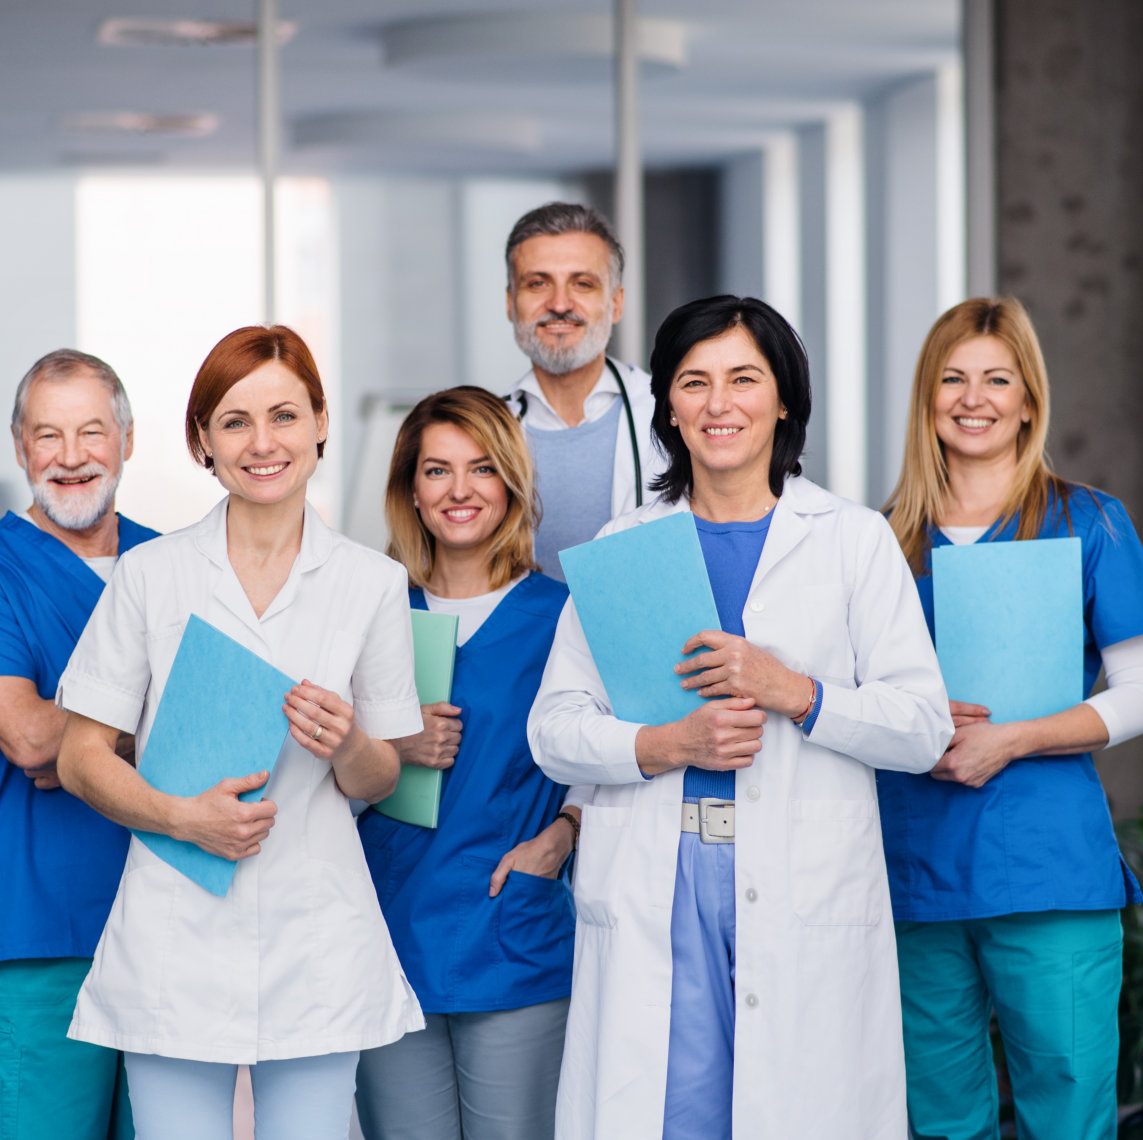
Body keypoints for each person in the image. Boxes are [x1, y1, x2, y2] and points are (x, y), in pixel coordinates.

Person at [527, 295, 953, 1139]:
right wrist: (663, 743)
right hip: (661, 871)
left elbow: (922, 725)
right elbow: (555, 727)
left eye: (743, 380)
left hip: (802, 875)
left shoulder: (852, 539)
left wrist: (795, 691)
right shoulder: (626, 545)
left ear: (784, 399)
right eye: (694, 383)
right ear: (671, 410)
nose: (719, 404)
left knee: (792, 1107)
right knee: (672, 1112)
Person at [53, 325, 425, 1140]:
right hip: (176, 930)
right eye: (234, 421)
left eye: (285, 416)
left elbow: (382, 779)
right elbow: (79, 758)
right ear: (202, 443)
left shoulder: (372, 583)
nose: (263, 443)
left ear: (322, 423)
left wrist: (350, 744)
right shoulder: (152, 576)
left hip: (317, 933)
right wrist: (182, 818)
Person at [877, 297, 1143, 1140]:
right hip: (914, 875)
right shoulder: (878, 543)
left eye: (997, 379)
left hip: (1048, 872)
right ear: (927, 399)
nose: (974, 399)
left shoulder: (1088, 521)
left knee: (1070, 1118)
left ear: (1028, 400)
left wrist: (1014, 737)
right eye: (953, 379)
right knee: (940, 1121)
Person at [0, 348, 158, 1140]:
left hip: (166, 928)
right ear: (20, 447)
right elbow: (28, 739)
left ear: (128, 440)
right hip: (34, 938)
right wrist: (154, 722)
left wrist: (84, 743)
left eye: (91, 432)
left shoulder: (174, 566)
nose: (70, 457)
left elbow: (229, 728)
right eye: (47, 435)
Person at [354, 386, 578, 1140]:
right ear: (410, 491)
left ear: (511, 485)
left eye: (481, 469)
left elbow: (609, 756)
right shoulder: (371, 614)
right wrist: (389, 745)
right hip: (389, 931)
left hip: (512, 933)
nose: (459, 491)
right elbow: (309, 769)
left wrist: (564, 835)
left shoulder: (563, 616)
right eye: (437, 470)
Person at [501, 202, 668, 582]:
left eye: (583, 284)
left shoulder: (672, 415)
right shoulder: (485, 430)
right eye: (537, 283)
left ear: (616, 303)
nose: (560, 304)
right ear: (511, 302)